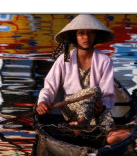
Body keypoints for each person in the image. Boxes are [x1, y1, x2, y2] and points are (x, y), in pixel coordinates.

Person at [37, 14, 125, 144]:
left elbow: (107, 93)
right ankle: (82, 123)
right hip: (70, 107)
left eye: (90, 33)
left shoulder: (105, 61)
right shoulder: (63, 60)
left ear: (96, 36)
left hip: (94, 108)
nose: (86, 37)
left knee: (104, 113)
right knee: (94, 90)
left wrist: (102, 106)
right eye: (81, 33)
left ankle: (108, 131)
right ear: (75, 37)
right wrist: (43, 102)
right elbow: (50, 86)